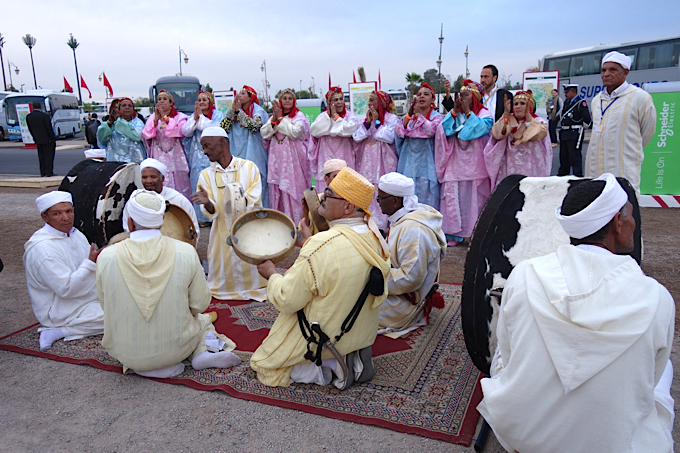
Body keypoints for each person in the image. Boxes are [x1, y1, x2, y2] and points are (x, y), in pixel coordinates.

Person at [477, 174, 675, 452]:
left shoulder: (524, 274)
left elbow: (508, 357)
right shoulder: (657, 299)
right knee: (664, 369)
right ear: (618, 223)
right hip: (613, 444)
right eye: (629, 214)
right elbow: (649, 379)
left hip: (525, 435)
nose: (633, 222)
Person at [251, 167, 390, 388]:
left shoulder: (322, 245)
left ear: (348, 206)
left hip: (326, 336)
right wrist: (309, 243)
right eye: (325, 190)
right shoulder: (375, 237)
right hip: (356, 331)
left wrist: (272, 275)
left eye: (330, 194)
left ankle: (327, 365)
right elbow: (337, 260)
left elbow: (287, 300)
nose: (322, 197)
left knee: (265, 364)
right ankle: (348, 355)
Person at [96, 190, 240, 378]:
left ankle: (143, 365)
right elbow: (200, 304)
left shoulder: (106, 256)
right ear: (163, 219)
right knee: (203, 320)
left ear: (130, 222)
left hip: (125, 352)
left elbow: (105, 304)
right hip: (175, 350)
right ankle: (203, 352)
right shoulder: (185, 251)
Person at [191, 127, 267, 301]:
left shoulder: (249, 167)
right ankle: (225, 289)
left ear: (222, 143)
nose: (204, 152)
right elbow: (211, 212)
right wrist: (209, 204)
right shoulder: (206, 175)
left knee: (253, 270)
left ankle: (255, 287)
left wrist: (231, 201)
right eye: (203, 147)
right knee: (222, 267)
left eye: (207, 146)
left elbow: (253, 200)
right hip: (221, 233)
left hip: (249, 229)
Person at [23, 191, 105, 351]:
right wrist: (91, 264)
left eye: (69, 211)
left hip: (84, 296)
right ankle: (60, 330)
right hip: (60, 309)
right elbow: (66, 289)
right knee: (122, 315)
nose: (66, 218)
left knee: (130, 301)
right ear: (44, 217)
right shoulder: (43, 249)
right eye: (57, 213)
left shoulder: (75, 234)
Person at [376, 173, 446, 338]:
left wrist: (375, 279)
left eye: (380, 198)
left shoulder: (414, 229)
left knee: (349, 307)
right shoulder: (403, 219)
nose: (377, 202)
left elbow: (410, 278)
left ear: (395, 200)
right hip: (397, 290)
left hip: (405, 303)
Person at [586, 51, 657, 195]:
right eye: (604, 70)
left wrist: (626, 148)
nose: (606, 74)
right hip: (595, 169)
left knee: (624, 210)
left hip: (623, 169)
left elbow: (647, 132)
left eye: (613, 70)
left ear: (625, 72)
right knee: (596, 208)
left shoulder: (640, 98)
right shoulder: (596, 100)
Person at [434, 79, 493, 246]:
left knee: (474, 199)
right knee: (454, 197)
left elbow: (471, 132)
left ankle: (474, 232)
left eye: (466, 95)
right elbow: (444, 130)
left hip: (475, 164)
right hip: (455, 163)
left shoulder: (485, 114)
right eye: (460, 95)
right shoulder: (455, 113)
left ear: (475, 97)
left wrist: (468, 113)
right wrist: (454, 111)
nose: (462, 98)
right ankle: (454, 234)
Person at [484, 91, 552, 190]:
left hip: (531, 167)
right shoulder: (509, 119)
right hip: (509, 168)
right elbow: (497, 134)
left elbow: (539, 133)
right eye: (515, 104)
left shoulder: (538, 121)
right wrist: (506, 114)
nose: (518, 107)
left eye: (522, 104)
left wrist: (528, 119)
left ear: (530, 106)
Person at [261, 88, 311, 222]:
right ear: (280, 101)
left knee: (294, 190)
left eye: (290, 98)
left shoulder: (299, 117)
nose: (287, 101)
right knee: (279, 190)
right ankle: (282, 222)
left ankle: (298, 222)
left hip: (294, 162)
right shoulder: (274, 117)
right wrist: (274, 121)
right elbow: (264, 133)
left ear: (293, 101)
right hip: (278, 161)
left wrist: (280, 120)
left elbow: (294, 132)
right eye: (285, 98)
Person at [353, 90, 399, 230]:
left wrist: (377, 122)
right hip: (368, 161)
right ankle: (369, 222)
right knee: (368, 189)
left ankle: (382, 225)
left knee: (383, 190)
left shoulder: (391, 118)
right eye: (369, 100)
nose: (369, 103)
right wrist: (367, 124)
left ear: (381, 102)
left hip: (384, 160)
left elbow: (389, 137)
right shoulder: (366, 118)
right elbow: (356, 137)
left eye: (372, 100)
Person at [121, 158, 199, 241]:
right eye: (144, 177)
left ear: (162, 178)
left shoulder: (178, 200)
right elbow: (128, 231)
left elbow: (193, 232)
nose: (148, 181)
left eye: (153, 177)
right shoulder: (134, 201)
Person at [395, 82, 443, 209]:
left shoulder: (437, 117)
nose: (422, 97)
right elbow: (399, 131)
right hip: (408, 166)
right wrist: (409, 117)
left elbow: (431, 131)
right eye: (419, 94)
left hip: (427, 168)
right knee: (408, 203)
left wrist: (418, 118)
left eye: (426, 94)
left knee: (426, 205)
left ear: (433, 99)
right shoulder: (408, 118)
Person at [220, 85, 270, 207]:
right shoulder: (233, 111)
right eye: (239, 93)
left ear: (250, 97)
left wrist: (239, 112)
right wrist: (232, 112)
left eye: (243, 93)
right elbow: (222, 128)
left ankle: (259, 214)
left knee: (255, 185)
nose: (239, 96)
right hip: (236, 155)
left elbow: (254, 127)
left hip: (255, 155)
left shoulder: (258, 111)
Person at [182, 90, 225, 225]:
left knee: (216, 183)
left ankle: (218, 213)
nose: (201, 103)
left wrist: (199, 119)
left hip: (214, 157)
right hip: (197, 157)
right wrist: (195, 118)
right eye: (199, 100)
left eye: (204, 100)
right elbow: (185, 132)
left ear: (210, 102)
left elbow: (210, 129)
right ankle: (202, 217)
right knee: (199, 184)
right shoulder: (194, 116)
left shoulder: (218, 115)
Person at [308, 86, 360, 194]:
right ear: (329, 103)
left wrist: (336, 118)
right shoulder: (323, 117)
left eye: (341, 99)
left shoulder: (350, 116)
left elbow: (350, 129)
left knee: (345, 187)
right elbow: (314, 131)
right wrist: (329, 118)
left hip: (345, 156)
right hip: (325, 156)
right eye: (335, 100)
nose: (339, 102)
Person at [142, 90, 191, 199]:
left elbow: (179, 131)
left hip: (175, 155)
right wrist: (155, 120)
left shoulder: (180, 117)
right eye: (159, 99)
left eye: (165, 99)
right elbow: (146, 134)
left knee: (179, 183)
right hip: (159, 153)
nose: (161, 102)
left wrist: (164, 117)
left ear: (171, 103)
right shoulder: (152, 117)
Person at [443, 65, 513, 121]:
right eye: (481, 77)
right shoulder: (475, 94)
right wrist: (448, 93)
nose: (482, 80)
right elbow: (458, 110)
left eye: (486, 77)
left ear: (495, 78)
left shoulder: (505, 95)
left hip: (498, 136)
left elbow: (511, 116)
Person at [97, 97, 147, 164]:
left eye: (130, 106)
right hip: (114, 161)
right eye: (123, 105)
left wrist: (120, 122)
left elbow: (137, 136)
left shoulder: (138, 123)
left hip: (135, 162)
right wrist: (109, 124)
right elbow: (101, 140)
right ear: (118, 109)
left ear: (133, 110)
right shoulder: (112, 123)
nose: (127, 107)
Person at [557, 84, 591, 177]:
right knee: (563, 157)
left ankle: (577, 177)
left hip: (574, 134)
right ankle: (562, 176)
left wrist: (581, 129)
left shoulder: (580, 103)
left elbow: (587, 119)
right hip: (565, 134)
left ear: (573, 91)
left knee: (574, 158)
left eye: (567, 92)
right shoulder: (567, 102)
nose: (565, 94)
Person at [26, 101, 56, 177]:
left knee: (41, 156)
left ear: (33, 107)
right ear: (40, 107)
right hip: (47, 139)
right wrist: (53, 137)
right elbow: (48, 128)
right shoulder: (45, 116)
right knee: (48, 156)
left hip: (38, 139)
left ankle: (42, 172)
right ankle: (48, 172)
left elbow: (30, 129)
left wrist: (35, 137)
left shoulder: (29, 117)